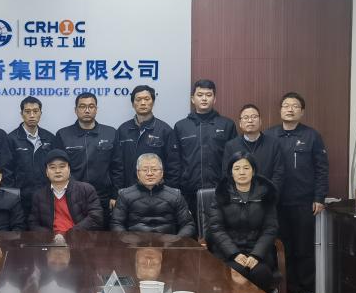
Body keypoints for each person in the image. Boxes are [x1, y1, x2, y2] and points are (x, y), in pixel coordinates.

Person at [265, 92, 329, 293]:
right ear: (280, 110)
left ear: (302, 112)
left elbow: (322, 169)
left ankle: (305, 291)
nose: (290, 109)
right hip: (276, 203)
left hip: (303, 202)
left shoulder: (312, 136)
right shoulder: (270, 135)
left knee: (303, 249)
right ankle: (284, 289)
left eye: (294, 106)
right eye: (286, 105)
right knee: (280, 248)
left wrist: (319, 197)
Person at [205, 152, 279, 293]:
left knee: (261, 274)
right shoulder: (221, 193)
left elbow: (270, 228)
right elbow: (216, 227)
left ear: (253, 171)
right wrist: (234, 254)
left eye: (246, 168)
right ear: (231, 172)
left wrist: (256, 255)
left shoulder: (266, 194)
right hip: (227, 253)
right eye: (237, 168)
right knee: (236, 272)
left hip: (258, 253)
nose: (242, 172)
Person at [174, 79, 237, 217]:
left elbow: (234, 160)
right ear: (192, 99)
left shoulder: (227, 125)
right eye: (200, 95)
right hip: (189, 192)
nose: (204, 98)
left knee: (218, 228)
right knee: (190, 228)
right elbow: (176, 161)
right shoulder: (181, 126)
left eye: (208, 95)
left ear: (214, 99)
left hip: (220, 191)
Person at [54, 92, 119, 221]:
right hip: (73, 196)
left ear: (96, 109)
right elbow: (58, 168)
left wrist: (115, 195)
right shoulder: (63, 134)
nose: (87, 110)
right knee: (75, 231)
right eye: (82, 106)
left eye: (91, 106)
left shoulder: (110, 133)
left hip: (103, 196)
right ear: (75, 110)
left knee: (103, 232)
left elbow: (117, 167)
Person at [112, 85, 181, 195]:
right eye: (138, 99)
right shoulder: (123, 130)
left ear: (153, 102)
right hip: (128, 193)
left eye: (147, 99)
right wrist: (117, 192)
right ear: (133, 104)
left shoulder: (165, 130)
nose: (143, 103)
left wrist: (168, 192)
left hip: (157, 193)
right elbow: (117, 165)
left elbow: (173, 165)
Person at [110, 153, 195, 237]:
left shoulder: (175, 196)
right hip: (134, 243)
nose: (150, 173)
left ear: (162, 173)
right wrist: (127, 239)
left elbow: (188, 224)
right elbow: (116, 223)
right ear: (138, 174)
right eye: (145, 170)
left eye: (154, 169)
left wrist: (177, 240)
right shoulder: (124, 195)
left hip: (168, 243)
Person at [28, 149, 104, 232]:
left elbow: (96, 217)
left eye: (62, 166)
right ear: (47, 172)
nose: (57, 171)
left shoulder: (86, 189)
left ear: (69, 169)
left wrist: (70, 234)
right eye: (52, 167)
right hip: (51, 239)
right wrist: (52, 236)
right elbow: (33, 223)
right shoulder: (39, 195)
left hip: (79, 236)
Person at [7, 96, 56, 216]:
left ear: (40, 113)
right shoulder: (11, 139)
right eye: (27, 111)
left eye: (35, 111)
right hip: (20, 198)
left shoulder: (50, 138)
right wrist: (13, 194)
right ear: (21, 114)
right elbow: (7, 170)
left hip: (46, 196)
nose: (32, 115)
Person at [222, 104, 285, 189]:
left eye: (254, 117)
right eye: (246, 117)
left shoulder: (273, 144)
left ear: (260, 121)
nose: (250, 120)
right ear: (240, 123)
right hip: (239, 195)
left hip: (268, 194)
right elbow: (227, 174)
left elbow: (279, 173)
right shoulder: (231, 146)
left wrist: (269, 193)